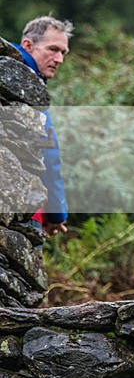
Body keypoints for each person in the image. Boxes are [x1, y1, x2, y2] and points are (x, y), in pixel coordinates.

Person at [12, 16, 72, 238]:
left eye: (63, 53)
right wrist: (57, 214)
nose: (59, 59)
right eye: (53, 49)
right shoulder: (25, 90)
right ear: (28, 45)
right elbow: (49, 156)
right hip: (23, 213)